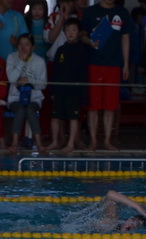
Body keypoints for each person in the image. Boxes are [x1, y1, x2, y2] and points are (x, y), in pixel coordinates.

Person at [0, 189, 146, 233]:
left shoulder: (116, 236)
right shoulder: (112, 220)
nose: (131, 227)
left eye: (135, 228)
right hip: (54, 232)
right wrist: (140, 209)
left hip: (60, 238)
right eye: (134, 222)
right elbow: (109, 194)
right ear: (128, 218)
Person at [81, 0, 132, 150]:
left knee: (110, 106)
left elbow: (125, 38)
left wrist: (126, 64)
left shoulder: (122, 13)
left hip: (114, 65)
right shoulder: (90, 12)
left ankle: (108, 140)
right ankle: (94, 141)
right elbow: (82, 34)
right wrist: (90, 41)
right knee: (93, 106)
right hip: (94, 63)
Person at [48, 16, 90, 153]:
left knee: (73, 118)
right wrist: (53, 91)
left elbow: (84, 74)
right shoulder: (61, 50)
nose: (70, 33)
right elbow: (55, 72)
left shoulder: (82, 50)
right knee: (56, 117)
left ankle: (71, 143)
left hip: (74, 91)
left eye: (74, 30)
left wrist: (83, 94)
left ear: (79, 32)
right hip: (60, 90)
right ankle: (56, 141)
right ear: (64, 32)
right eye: (67, 30)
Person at [5, 32, 47, 152]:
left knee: (30, 109)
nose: (23, 47)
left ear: (33, 47)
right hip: (15, 98)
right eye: (21, 44)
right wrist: (22, 62)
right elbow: (12, 79)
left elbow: (43, 84)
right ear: (17, 46)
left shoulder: (39, 61)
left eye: (27, 44)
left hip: (34, 98)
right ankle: (14, 143)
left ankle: (39, 143)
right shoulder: (11, 58)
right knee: (20, 110)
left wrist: (29, 80)